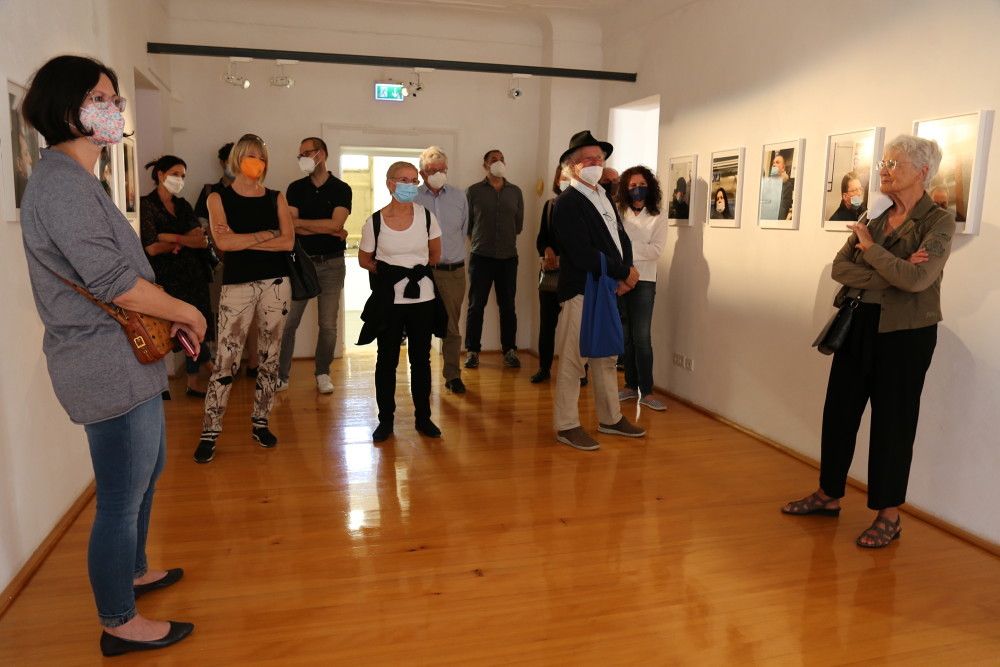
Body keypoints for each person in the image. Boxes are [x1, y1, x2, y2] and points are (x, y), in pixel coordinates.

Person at [19, 54, 204, 656]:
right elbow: (114, 282)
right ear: (67, 108)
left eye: (115, 99)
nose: (115, 108)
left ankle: (134, 571)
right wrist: (185, 310)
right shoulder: (60, 183)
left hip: (126, 357)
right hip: (104, 363)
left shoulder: (78, 179)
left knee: (146, 474)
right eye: (101, 98)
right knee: (121, 497)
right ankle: (118, 621)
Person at [782, 135, 955, 548]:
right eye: (884, 162)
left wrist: (872, 250)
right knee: (838, 413)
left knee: (893, 424)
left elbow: (918, 280)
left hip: (906, 334)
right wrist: (893, 270)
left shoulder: (938, 222)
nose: (884, 169)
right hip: (858, 323)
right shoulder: (873, 215)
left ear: (922, 172)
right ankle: (828, 494)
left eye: (894, 163)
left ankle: (888, 515)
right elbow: (840, 268)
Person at [194, 133, 294, 464]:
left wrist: (244, 240)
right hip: (237, 284)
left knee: (269, 357)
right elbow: (224, 244)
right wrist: (267, 234)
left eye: (261, 157)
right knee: (226, 358)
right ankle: (210, 432)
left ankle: (261, 423)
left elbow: (288, 242)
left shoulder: (276, 197)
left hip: (276, 283)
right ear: (237, 158)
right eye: (251, 155)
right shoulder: (217, 198)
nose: (257, 162)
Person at [552, 130, 646, 451]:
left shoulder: (603, 196)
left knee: (606, 357)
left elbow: (621, 239)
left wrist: (625, 272)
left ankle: (611, 418)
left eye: (599, 158)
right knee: (573, 361)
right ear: (572, 165)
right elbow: (581, 253)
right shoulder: (568, 202)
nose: (596, 162)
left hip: (605, 287)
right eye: (588, 158)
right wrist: (623, 272)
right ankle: (567, 425)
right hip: (582, 289)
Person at [358, 161, 445, 443]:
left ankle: (424, 418)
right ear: (390, 183)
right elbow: (364, 260)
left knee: (421, 360)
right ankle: (386, 420)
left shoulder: (427, 217)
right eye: (403, 180)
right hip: (390, 301)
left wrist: (411, 272)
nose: (410, 185)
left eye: (413, 180)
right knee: (387, 360)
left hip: (423, 299)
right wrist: (390, 274)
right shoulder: (374, 222)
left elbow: (434, 256)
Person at [276, 136, 352, 394]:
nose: (303, 159)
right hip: (301, 263)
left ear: (322, 154)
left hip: (332, 263)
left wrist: (310, 225)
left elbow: (336, 224)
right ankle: (282, 376)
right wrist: (327, 228)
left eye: (307, 153)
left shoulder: (341, 189)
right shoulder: (295, 188)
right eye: (300, 155)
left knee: (328, 324)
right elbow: (291, 226)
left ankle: (322, 373)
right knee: (289, 323)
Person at [140, 155, 216, 397]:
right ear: (160, 174)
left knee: (195, 324)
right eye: (175, 174)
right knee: (172, 327)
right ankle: (207, 368)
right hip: (166, 277)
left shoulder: (182, 205)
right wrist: (183, 239)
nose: (179, 179)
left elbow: (201, 240)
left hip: (193, 274)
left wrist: (170, 238)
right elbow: (152, 246)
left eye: (183, 176)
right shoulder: (146, 205)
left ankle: (196, 378)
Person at [415, 146, 469, 394]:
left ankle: (453, 376)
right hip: (423, 272)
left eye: (442, 169)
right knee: (421, 326)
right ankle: (421, 376)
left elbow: (463, 231)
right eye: (432, 170)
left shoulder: (459, 197)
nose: (438, 173)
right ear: (422, 173)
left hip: (453, 272)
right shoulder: (413, 198)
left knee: (451, 327)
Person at [615, 166, 668, 411]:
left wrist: (627, 250)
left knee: (642, 337)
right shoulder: (619, 212)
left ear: (650, 186)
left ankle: (646, 391)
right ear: (626, 189)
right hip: (621, 278)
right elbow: (613, 245)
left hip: (645, 280)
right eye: (633, 185)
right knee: (626, 335)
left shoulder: (659, 214)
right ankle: (629, 386)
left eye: (642, 184)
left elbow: (656, 250)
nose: (638, 189)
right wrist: (633, 251)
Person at [464, 149, 524, 369]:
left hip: (508, 258)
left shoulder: (515, 192)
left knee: (508, 306)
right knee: (475, 306)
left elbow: (518, 225)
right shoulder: (473, 191)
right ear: (485, 165)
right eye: (494, 160)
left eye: (501, 159)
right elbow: (467, 225)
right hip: (481, 258)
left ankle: (509, 351)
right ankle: (472, 351)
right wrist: (479, 243)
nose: (499, 163)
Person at [760, 153, 795, 220]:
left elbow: (782, 210)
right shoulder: (768, 184)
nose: (774, 165)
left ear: (783, 168)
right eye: (773, 163)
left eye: (777, 162)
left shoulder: (787, 186)